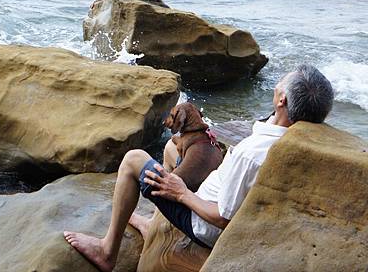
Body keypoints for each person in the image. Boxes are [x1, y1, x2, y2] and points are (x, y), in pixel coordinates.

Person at [64, 64, 334, 271]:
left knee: (134, 159)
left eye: (280, 84)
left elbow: (222, 218)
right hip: (218, 197)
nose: (276, 86)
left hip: (205, 223)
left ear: (282, 100)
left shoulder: (252, 154)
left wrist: (181, 193)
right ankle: (153, 225)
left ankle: (107, 250)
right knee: (171, 149)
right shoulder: (299, 141)